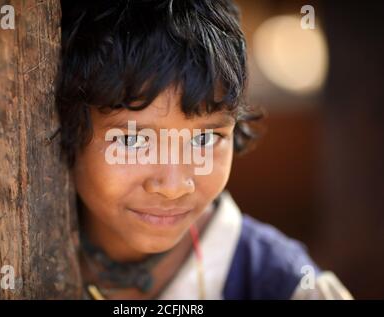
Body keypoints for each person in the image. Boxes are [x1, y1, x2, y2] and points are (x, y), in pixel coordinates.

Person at [56, 0, 352, 300]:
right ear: (65, 126)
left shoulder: (284, 286)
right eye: (133, 141)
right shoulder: (18, 253)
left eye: (205, 139)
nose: (173, 187)